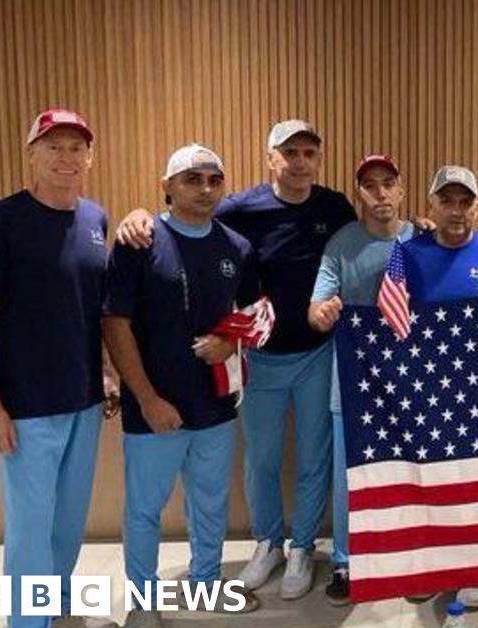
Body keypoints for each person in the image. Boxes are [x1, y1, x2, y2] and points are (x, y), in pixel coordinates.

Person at [115, 120, 358, 600]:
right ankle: (269, 543)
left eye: (310, 152)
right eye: (290, 153)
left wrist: (420, 228)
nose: (300, 161)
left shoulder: (333, 206)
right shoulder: (239, 209)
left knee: (313, 458)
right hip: (262, 360)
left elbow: (371, 235)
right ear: (271, 158)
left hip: (316, 354)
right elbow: (184, 222)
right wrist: (137, 213)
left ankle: (304, 547)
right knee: (261, 462)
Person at [0, 109, 120, 628]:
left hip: (81, 400)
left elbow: (96, 311)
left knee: (67, 521)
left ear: (90, 157)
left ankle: (57, 608)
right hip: (25, 406)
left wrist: (104, 370)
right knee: (30, 529)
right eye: (53, 146)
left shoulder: (96, 219)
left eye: (77, 147)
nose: (66, 157)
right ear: (32, 152)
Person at [103, 144, 261, 628]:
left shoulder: (236, 245)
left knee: (210, 503)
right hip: (155, 410)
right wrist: (145, 398)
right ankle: (143, 603)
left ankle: (207, 580)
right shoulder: (140, 240)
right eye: (193, 179)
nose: (206, 188)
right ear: (168, 186)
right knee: (145, 510)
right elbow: (114, 322)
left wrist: (231, 341)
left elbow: (260, 310)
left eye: (215, 179)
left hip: (214, 406)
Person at [401, 165, 478, 611]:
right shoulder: (406, 254)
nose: (456, 210)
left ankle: (476, 568)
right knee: (429, 483)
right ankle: (431, 566)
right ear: (431, 205)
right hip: (426, 387)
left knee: (476, 484)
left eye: (465, 201)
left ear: (477, 206)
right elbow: (391, 318)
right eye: (446, 201)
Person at [308, 154, 416, 605]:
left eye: (388, 183)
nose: (380, 193)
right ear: (359, 194)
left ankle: (414, 558)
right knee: (349, 477)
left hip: (414, 379)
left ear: (401, 190)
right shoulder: (340, 243)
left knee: (413, 472)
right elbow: (316, 311)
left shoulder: (422, 238)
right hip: (353, 380)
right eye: (370, 185)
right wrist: (324, 311)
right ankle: (345, 563)